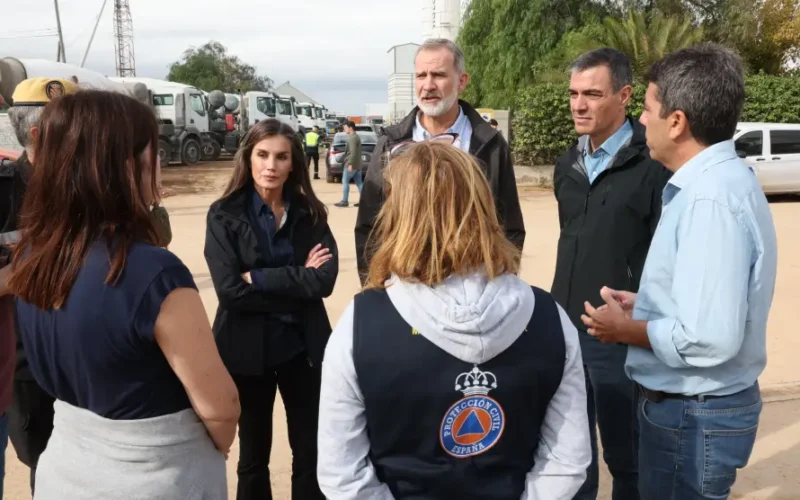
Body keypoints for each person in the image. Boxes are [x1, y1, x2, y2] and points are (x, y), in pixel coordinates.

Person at [318, 142, 590, 499]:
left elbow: (341, 474)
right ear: (484, 207)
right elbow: (567, 460)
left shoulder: (360, 324)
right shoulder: (549, 317)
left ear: (398, 215)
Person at [10, 90, 240, 499]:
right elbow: (220, 408)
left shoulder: (33, 255)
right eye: (153, 153)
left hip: (64, 469)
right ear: (122, 166)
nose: (161, 164)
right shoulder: (153, 273)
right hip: (152, 478)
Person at [581, 44, 777, 500]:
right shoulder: (717, 183)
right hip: (697, 412)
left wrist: (628, 330)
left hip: (694, 415)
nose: (642, 120)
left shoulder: (709, 199)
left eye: (648, 109)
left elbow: (710, 336)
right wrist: (647, 307)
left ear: (677, 121)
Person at [550, 49, 672, 500]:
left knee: (629, 459)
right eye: (574, 94)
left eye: (593, 94)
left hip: (619, 337)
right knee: (570, 457)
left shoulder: (654, 165)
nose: (579, 105)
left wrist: (636, 322)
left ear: (624, 96)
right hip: (565, 330)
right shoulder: (568, 164)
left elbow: (666, 258)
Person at [204, 118, 338, 500]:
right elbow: (230, 291)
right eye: (262, 155)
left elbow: (324, 281)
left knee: (310, 453)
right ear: (248, 158)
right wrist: (299, 279)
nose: (271, 165)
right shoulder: (224, 214)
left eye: (281, 157)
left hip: (302, 349)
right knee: (253, 457)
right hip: (247, 354)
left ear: (293, 162)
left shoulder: (310, 213)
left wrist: (259, 279)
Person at [355, 38, 525, 284]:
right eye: (421, 75)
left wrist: (500, 285)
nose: (428, 85)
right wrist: (375, 288)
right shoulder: (391, 143)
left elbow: (510, 227)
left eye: (439, 75)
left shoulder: (489, 144)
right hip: (403, 288)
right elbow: (369, 225)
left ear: (462, 81)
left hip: (471, 290)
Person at [2, 77, 80, 496]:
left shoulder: (86, 190)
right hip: (31, 365)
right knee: (46, 468)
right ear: (38, 134)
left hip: (87, 356)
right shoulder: (6, 190)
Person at [334, 121, 362, 208]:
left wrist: (350, 164)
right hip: (357, 164)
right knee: (359, 183)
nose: (344, 129)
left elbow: (353, 152)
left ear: (350, 128)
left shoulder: (352, 138)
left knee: (345, 182)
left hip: (352, 164)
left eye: (345, 127)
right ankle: (364, 201)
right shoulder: (356, 136)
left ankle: (344, 201)